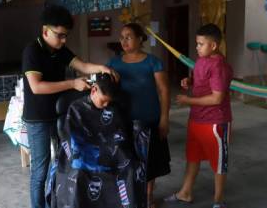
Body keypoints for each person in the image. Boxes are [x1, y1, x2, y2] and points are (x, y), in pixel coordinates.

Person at [22, 4, 117, 208]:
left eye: (66, 36)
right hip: (37, 117)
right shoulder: (32, 51)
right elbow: (36, 87)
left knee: (61, 163)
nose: (64, 40)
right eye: (60, 35)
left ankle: (55, 202)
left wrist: (102, 67)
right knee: (40, 169)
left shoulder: (60, 49)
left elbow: (82, 65)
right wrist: (72, 83)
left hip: (58, 113)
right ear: (45, 31)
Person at [50, 73, 149, 208]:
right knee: (79, 173)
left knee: (131, 168)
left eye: (108, 101)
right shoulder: (77, 108)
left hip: (111, 153)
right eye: (103, 101)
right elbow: (70, 137)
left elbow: (119, 134)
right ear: (94, 90)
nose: (106, 105)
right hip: (83, 153)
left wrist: (112, 148)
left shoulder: (113, 108)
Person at [164, 23, 233, 208]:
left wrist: (188, 101)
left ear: (213, 46)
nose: (197, 47)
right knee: (193, 157)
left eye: (201, 44)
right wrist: (190, 81)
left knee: (218, 163)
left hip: (215, 121)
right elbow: (202, 81)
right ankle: (185, 193)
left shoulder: (219, 65)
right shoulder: (202, 60)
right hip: (197, 119)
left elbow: (217, 98)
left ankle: (218, 201)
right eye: (197, 43)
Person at [107, 23, 170, 208]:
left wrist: (164, 118)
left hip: (149, 119)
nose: (123, 41)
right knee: (126, 159)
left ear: (140, 38)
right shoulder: (113, 63)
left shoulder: (152, 62)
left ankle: (148, 196)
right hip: (123, 121)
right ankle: (129, 193)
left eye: (128, 36)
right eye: (121, 37)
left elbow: (164, 91)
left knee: (150, 161)